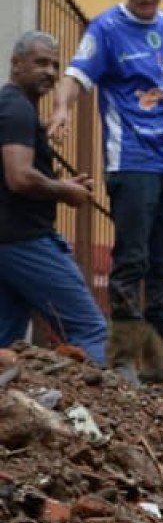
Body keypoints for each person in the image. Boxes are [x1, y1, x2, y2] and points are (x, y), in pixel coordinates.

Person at [48, 0, 163, 381]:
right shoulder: (106, 28)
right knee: (132, 258)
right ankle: (122, 361)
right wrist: (62, 109)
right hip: (131, 159)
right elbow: (76, 76)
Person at [0, 31, 108, 364]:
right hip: (26, 241)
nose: (49, 72)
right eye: (40, 63)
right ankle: (95, 414)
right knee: (89, 329)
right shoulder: (17, 108)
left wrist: (58, 183)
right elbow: (18, 177)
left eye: (55, 66)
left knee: (7, 340)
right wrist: (65, 191)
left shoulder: (13, 106)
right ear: (16, 64)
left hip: (9, 243)